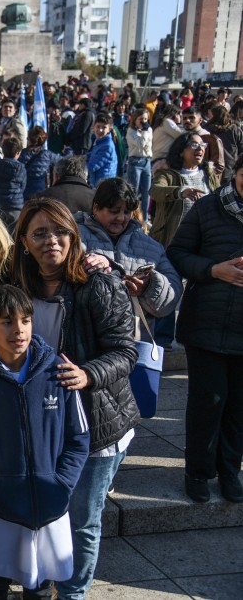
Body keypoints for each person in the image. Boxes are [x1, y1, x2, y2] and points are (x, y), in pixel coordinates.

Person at [10, 199, 139, 600]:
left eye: (60, 231)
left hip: (98, 422)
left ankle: (72, 593)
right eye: (40, 233)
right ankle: (42, 582)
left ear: (73, 234)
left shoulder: (97, 283)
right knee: (46, 512)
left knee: (83, 518)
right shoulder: (18, 286)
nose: (52, 241)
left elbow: (125, 351)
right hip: (43, 423)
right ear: (25, 243)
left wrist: (87, 374)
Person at [0, 285, 90, 599]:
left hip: (50, 502)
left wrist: (61, 483)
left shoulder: (58, 371)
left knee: (40, 586)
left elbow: (79, 437)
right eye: (7, 321)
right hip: (0, 506)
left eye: (25, 320)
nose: (18, 329)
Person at [167, 155, 243, 503]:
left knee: (238, 406)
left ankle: (230, 472)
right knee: (207, 402)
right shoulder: (209, 207)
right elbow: (178, 254)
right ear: (235, 174)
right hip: (206, 324)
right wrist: (214, 270)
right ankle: (198, 472)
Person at [76, 179, 182, 336]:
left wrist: (149, 287)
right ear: (96, 208)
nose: (120, 218)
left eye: (126, 212)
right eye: (114, 211)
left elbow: (172, 294)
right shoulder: (73, 238)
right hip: (87, 341)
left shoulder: (151, 247)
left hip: (135, 344)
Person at [150, 132, 221, 251]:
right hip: (172, 240)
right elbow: (155, 191)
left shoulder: (208, 174)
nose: (200, 148)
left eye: (203, 145)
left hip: (203, 240)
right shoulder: (167, 174)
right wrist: (180, 192)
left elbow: (220, 197)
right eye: (194, 144)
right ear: (181, 151)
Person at [0, 137, 27, 225]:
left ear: (3, 151)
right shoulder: (21, 169)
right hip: (16, 207)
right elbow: (23, 187)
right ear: (18, 153)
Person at [124, 108, 154, 220]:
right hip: (135, 161)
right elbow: (140, 144)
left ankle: (145, 219)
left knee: (147, 193)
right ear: (135, 119)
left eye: (146, 119)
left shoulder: (149, 129)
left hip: (146, 161)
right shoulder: (131, 131)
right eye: (141, 119)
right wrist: (145, 131)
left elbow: (148, 145)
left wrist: (146, 130)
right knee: (134, 192)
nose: (144, 122)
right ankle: (132, 217)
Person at [19, 125, 61, 201]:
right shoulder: (48, 155)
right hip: (40, 190)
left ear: (29, 139)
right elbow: (63, 161)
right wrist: (69, 151)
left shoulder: (22, 153)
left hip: (24, 189)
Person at [86, 112, 117, 186]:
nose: (100, 130)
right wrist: (85, 156)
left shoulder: (107, 146)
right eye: (98, 126)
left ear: (109, 129)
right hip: (99, 181)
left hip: (103, 183)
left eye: (104, 127)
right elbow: (95, 154)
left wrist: (77, 166)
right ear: (93, 127)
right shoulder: (100, 141)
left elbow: (93, 166)